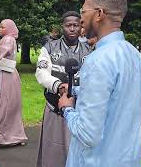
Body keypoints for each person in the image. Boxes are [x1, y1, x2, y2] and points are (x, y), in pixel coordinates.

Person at [58, 0, 141, 167]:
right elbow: (118, 96)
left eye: (83, 11)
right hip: (125, 158)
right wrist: (79, 90)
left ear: (99, 14)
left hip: (96, 160)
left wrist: (67, 110)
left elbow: (88, 134)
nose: (81, 19)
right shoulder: (133, 53)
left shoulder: (98, 59)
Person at [35, 11, 91, 167]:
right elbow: (41, 73)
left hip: (81, 110)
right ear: (62, 27)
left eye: (76, 25)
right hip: (55, 108)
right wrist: (59, 86)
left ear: (81, 27)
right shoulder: (49, 48)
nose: (72, 29)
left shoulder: (90, 49)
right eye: (68, 25)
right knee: (53, 151)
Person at [0, 19, 28, 146]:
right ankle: (10, 134)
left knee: (1, 104)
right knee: (7, 105)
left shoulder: (8, 39)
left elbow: (1, 51)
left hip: (5, 75)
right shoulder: (9, 39)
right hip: (8, 74)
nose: (0, 29)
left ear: (9, 28)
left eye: (3, 27)